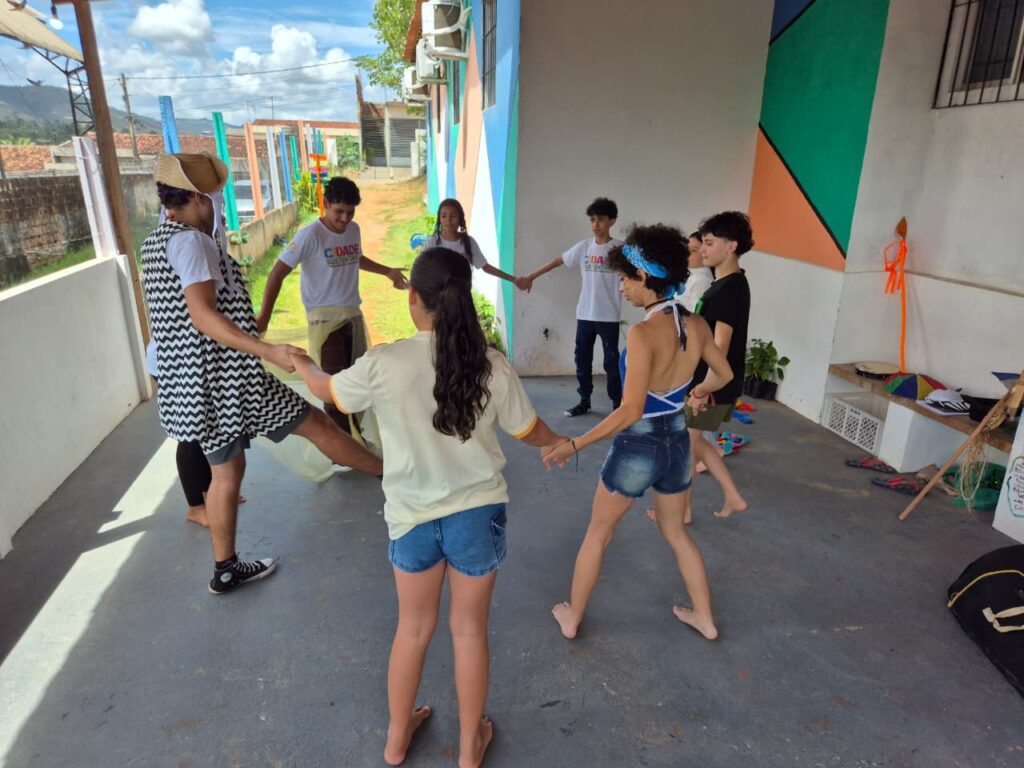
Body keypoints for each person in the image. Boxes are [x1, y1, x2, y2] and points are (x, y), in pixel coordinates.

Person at [291, 247, 565, 767]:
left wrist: (302, 363)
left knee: (413, 629)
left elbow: (330, 391)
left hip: (412, 519)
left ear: (413, 298)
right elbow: (528, 430)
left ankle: (397, 740)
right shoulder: (492, 364)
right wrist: (559, 442)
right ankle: (469, 746)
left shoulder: (385, 363)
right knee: (469, 631)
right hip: (477, 517)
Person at [140, 153, 383, 595]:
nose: (217, 205)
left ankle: (225, 569)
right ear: (198, 198)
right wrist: (267, 349)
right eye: (214, 197)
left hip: (196, 381)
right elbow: (203, 316)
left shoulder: (157, 241)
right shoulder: (192, 244)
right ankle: (393, 475)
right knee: (315, 425)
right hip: (229, 379)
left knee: (228, 469)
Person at [542, 224, 733, 642]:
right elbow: (725, 374)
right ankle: (705, 618)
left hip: (639, 446)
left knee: (598, 533)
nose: (622, 288)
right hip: (678, 443)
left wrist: (573, 444)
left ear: (644, 276)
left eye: (625, 279)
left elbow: (630, 410)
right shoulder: (697, 324)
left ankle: (573, 617)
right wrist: (697, 392)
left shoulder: (643, 333)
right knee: (675, 532)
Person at [256, 176, 407, 437]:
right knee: (333, 388)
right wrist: (265, 317)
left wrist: (387, 271)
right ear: (325, 203)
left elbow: (355, 256)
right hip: (324, 321)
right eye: (339, 212)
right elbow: (277, 273)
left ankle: (356, 438)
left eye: (350, 212)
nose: (345, 218)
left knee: (356, 383)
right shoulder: (310, 235)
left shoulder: (353, 230)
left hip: (352, 316)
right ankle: (342, 446)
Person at [520, 197, 624, 417]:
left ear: (612, 221)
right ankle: (584, 400)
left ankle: (618, 404)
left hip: (609, 316)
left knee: (611, 363)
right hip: (585, 314)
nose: (596, 224)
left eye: (601, 219)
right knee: (582, 360)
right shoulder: (584, 247)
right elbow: (557, 261)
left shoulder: (620, 249)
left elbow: (638, 272)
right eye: (592, 219)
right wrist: (531, 277)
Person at [686, 211, 752, 521]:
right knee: (697, 443)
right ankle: (733, 498)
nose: (702, 249)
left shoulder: (729, 289)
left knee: (687, 446)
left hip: (711, 384)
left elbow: (720, 346)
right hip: (710, 381)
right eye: (703, 243)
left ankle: (682, 511)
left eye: (709, 243)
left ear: (731, 246)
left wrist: (702, 390)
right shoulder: (726, 283)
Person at [423, 198, 531, 291]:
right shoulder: (432, 242)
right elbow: (422, 269)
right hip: (437, 300)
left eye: (453, 216)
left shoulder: (468, 242)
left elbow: (486, 267)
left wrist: (514, 280)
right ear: (439, 219)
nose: (448, 220)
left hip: (462, 298)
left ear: (460, 219)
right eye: (444, 216)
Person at [677, 231, 713, 313]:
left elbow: (696, 314)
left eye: (693, 250)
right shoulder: (689, 273)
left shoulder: (702, 280)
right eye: (686, 249)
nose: (687, 253)